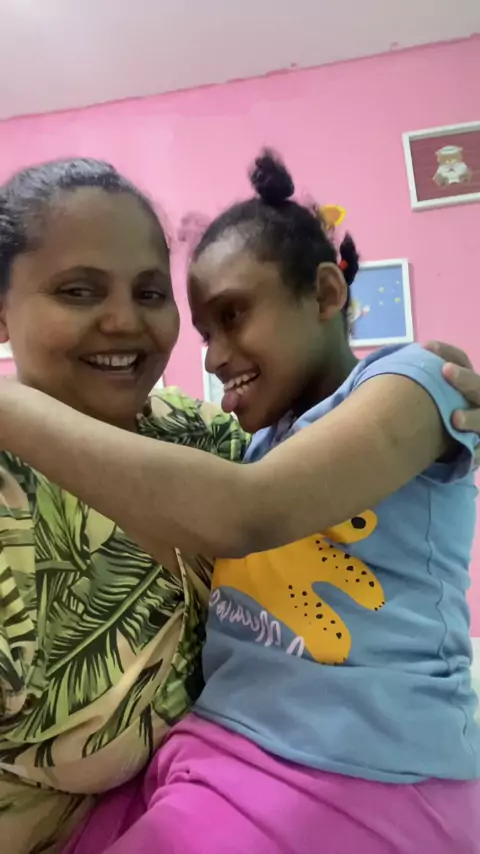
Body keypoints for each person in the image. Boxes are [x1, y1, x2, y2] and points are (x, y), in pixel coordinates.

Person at [0, 152, 479, 854]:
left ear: (325, 293)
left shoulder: (222, 439)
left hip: (353, 762)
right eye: (78, 291)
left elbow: (246, 508)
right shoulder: (256, 442)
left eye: (150, 293)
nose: (215, 356)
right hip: (219, 759)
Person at [0, 158, 249, 854]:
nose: (124, 321)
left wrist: (416, 392)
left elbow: (304, 497)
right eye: (78, 291)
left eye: (150, 292)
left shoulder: (202, 435)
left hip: (211, 794)